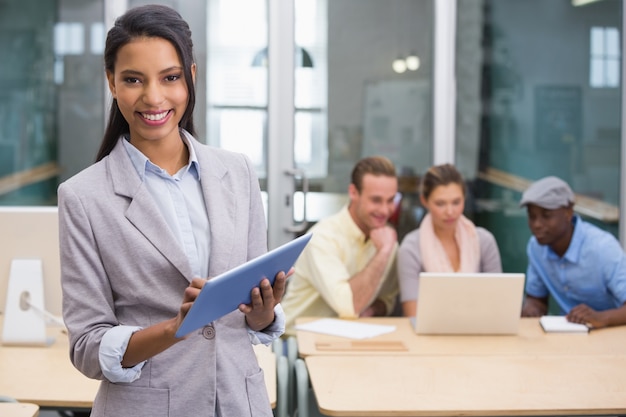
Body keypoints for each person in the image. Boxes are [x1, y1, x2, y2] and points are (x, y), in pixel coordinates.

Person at [58, 5, 287, 417]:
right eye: (133, 80)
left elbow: (251, 317)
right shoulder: (83, 197)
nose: (153, 97)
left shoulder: (237, 172)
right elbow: (88, 347)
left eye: (170, 77)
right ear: (111, 82)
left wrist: (263, 311)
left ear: (191, 78)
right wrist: (172, 329)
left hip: (239, 402)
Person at [281, 156, 400, 336]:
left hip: (347, 340)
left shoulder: (387, 238)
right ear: (353, 192)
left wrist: (373, 310)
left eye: (390, 200)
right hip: (294, 342)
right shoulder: (323, 237)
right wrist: (382, 253)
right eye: (376, 200)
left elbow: (387, 299)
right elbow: (349, 306)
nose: (385, 210)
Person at [519, 176, 626, 328]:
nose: (536, 224)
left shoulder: (603, 248)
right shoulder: (536, 246)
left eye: (546, 215)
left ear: (568, 212)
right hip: (568, 337)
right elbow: (537, 299)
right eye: (531, 216)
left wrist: (601, 318)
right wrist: (531, 309)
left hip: (613, 337)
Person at [397, 164, 502, 317]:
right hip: (429, 336)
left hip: (480, 333)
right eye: (440, 204)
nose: (450, 212)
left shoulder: (484, 241)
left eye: (456, 202)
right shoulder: (411, 248)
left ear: (464, 199)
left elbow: (498, 304)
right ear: (424, 201)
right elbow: (413, 316)